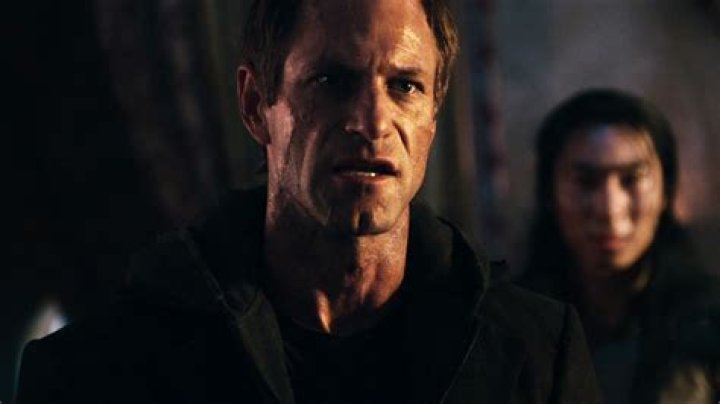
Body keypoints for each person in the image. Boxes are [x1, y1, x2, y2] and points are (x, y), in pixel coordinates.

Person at [15, 0, 601, 402]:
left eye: (405, 86)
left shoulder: (532, 355)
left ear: (432, 115)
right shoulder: (103, 368)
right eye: (333, 81)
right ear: (255, 105)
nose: (373, 122)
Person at [520, 88, 720, 404]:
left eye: (632, 179)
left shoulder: (710, 324)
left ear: (665, 192)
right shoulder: (511, 326)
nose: (609, 209)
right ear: (550, 193)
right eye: (586, 181)